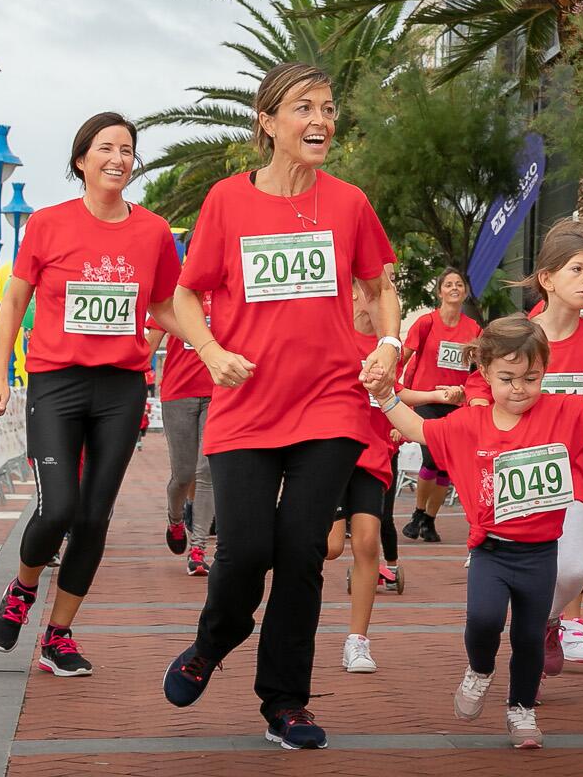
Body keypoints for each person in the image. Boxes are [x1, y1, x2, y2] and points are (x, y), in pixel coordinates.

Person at [160, 63, 403, 752]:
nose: (321, 120)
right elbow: (185, 294)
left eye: (328, 108)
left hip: (330, 401)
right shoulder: (226, 203)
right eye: (305, 108)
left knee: (301, 551)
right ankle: (212, 642)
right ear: (268, 122)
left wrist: (387, 341)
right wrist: (209, 351)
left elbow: (379, 285)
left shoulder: (350, 204)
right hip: (245, 405)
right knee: (243, 554)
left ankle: (285, 702)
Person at [0, 113, 182, 679]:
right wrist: (0, 377)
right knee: (59, 506)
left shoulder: (153, 232)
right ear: (81, 160)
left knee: (94, 518)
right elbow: (15, 300)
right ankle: (22, 590)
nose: (118, 158)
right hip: (56, 383)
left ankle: (58, 635)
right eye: (106, 148)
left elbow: (165, 307)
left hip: (121, 388)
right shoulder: (47, 225)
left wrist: (210, 345)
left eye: (127, 149)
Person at [371, 315, 583, 751]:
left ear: (544, 372)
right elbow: (418, 429)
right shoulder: (471, 423)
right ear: (485, 374)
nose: (520, 388)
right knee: (483, 621)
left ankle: (520, 709)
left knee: (528, 637)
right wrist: (384, 395)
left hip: (541, 552)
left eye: (531, 377)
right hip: (490, 551)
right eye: (507, 378)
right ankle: (480, 670)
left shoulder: (560, 413)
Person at [469, 219, 583, 670]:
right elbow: (478, 384)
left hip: (574, 476)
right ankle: (518, 664)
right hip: (511, 477)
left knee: (571, 572)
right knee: (495, 585)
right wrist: (471, 403)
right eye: (578, 270)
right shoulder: (520, 334)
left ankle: (546, 620)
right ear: (546, 279)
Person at [329, 279, 400, 674]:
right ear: (354, 294)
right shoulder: (334, 336)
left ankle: (358, 641)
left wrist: (401, 423)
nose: (382, 301)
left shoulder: (389, 352)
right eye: (374, 292)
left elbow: (395, 395)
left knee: (368, 543)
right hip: (332, 451)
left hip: (373, 455)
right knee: (331, 547)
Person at [398, 269, 480, 544]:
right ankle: (419, 513)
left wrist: (469, 394)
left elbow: (477, 369)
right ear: (440, 291)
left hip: (455, 403)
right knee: (432, 457)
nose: (454, 288)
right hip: (426, 399)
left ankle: (427, 520)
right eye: (449, 284)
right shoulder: (426, 323)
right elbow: (403, 357)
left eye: (459, 284)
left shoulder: (473, 329)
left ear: (465, 292)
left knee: (446, 465)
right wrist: (400, 394)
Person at [159, 292, 216, 577]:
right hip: (178, 393)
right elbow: (147, 344)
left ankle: (198, 548)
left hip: (218, 391)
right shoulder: (173, 298)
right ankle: (175, 518)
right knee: (183, 475)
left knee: (206, 470)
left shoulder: (227, 294)